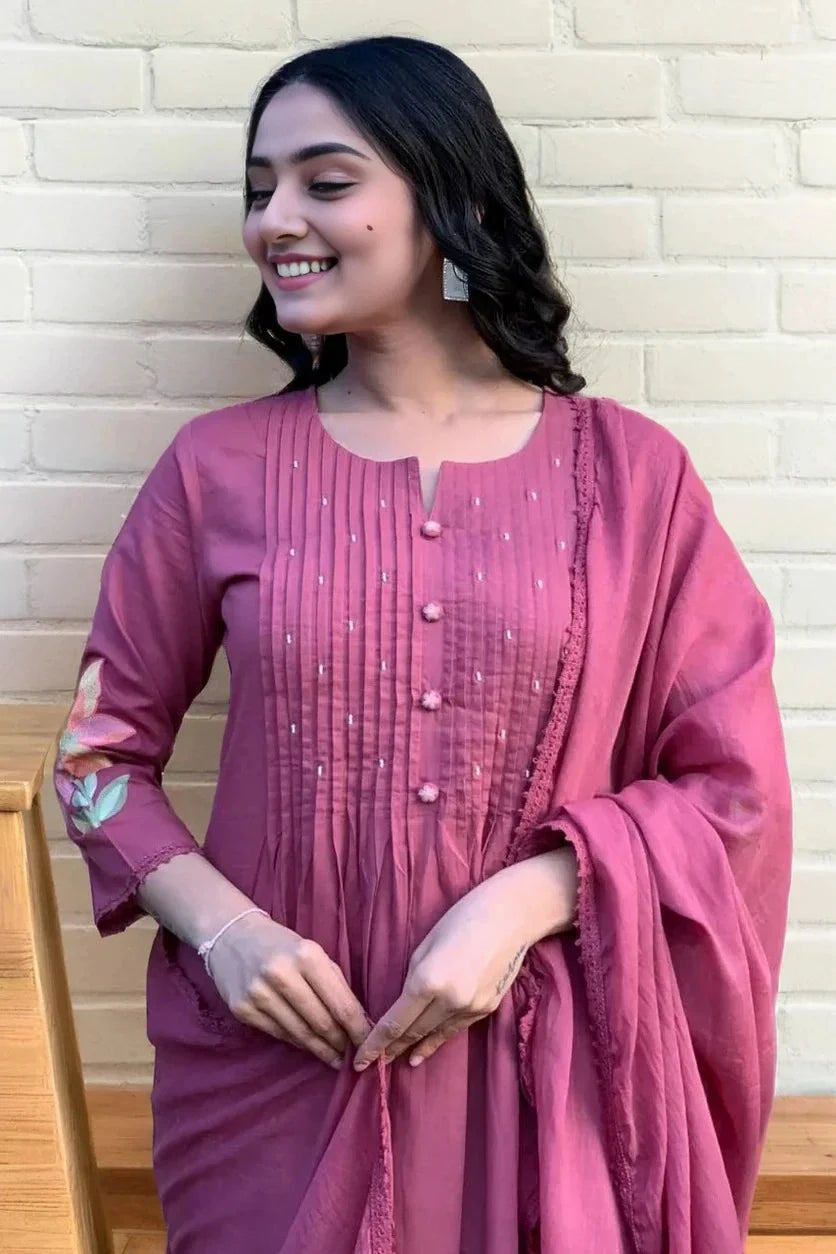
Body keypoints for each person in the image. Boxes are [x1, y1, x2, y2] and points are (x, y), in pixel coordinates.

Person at [53, 34, 793, 1254]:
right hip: (273, 1071)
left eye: (325, 182)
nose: (273, 221)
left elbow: (730, 787)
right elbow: (94, 762)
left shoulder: (630, 477)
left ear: (452, 201)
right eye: (259, 189)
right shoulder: (214, 469)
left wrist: (526, 899)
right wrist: (226, 933)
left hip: (547, 1067)